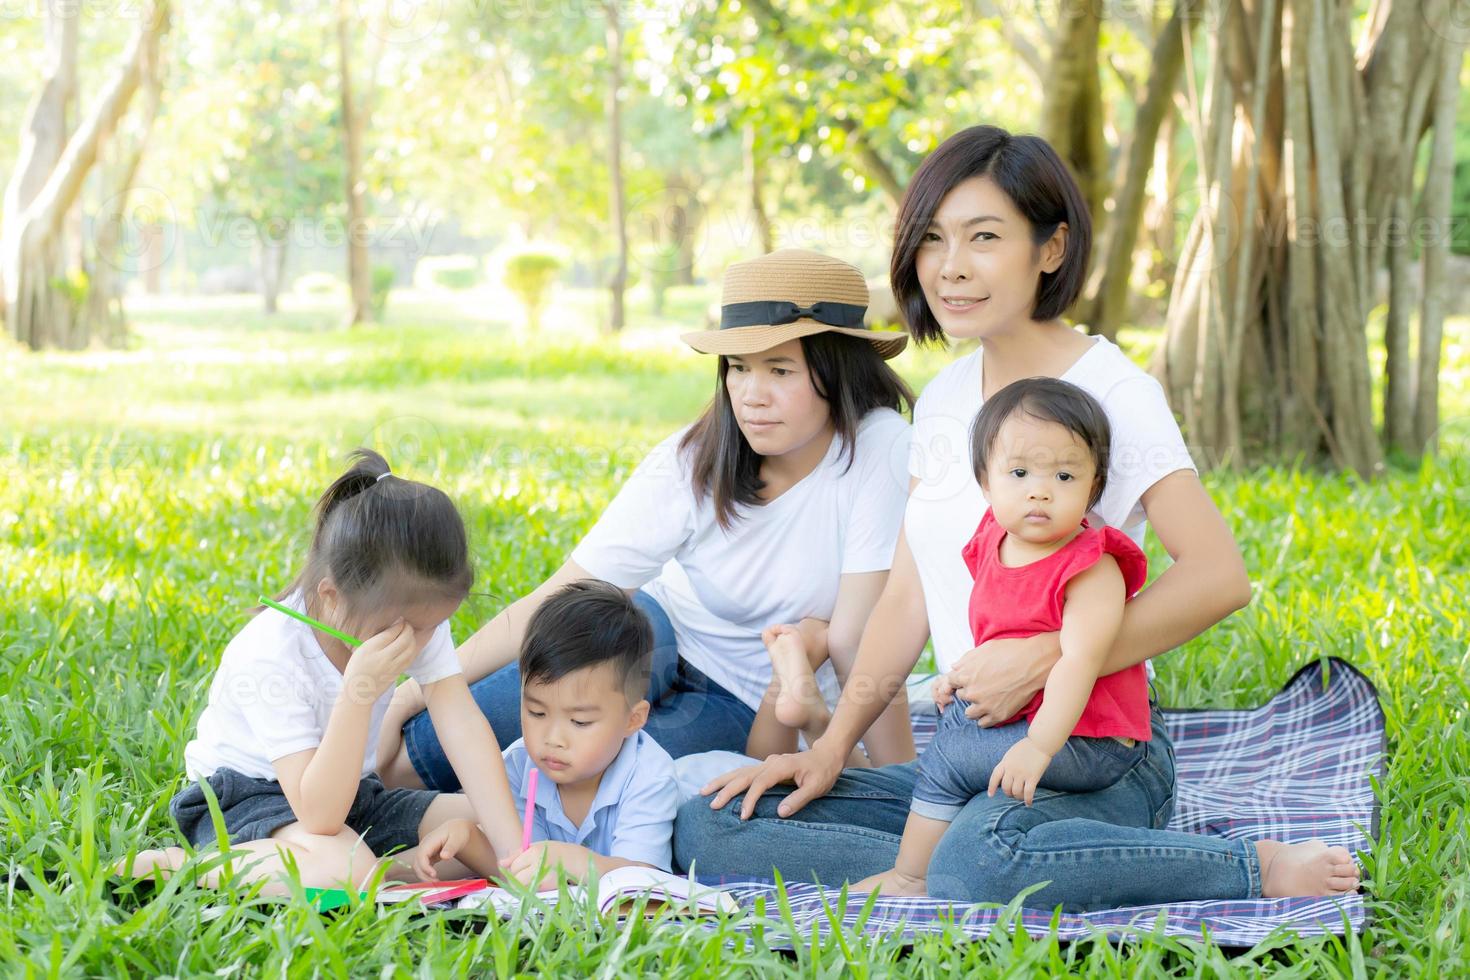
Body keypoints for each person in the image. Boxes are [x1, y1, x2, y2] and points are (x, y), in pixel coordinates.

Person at [677, 126, 1360, 910]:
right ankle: (993, 853)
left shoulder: (1115, 391)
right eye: (931, 238)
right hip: (971, 749)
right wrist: (832, 750)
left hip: (1094, 747)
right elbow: (906, 600)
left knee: (982, 863)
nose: (951, 266)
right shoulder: (941, 402)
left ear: (1051, 248)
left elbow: (1218, 577)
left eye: (985, 237)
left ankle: (1246, 867)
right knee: (714, 825)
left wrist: (1047, 656)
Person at [375, 249, 918, 795]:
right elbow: (565, 590)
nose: (752, 396)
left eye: (780, 370)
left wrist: (903, 785)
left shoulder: (879, 449)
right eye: (738, 368)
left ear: (838, 369)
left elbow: (855, 637)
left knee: (596, 793)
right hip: (651, 628)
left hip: (743, 696)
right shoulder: (696, 456)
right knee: (418, 759)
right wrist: (430, 679)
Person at [117, 450, 523, 894]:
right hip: (248, 799)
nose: (419, 640)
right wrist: (358, 691)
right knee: (342, 872)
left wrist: (514, 853)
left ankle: (379, 877)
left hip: (355, 792)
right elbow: (319, 814)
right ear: (331, 597)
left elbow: (461, 724)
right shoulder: (271, 652)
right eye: (410, 627)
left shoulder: (407, 616)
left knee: (500, 826)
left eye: (432, 626)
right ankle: (184, 866)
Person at [856, 377, 1150, 896]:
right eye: (1019, 473)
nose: (1039, 490)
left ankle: (912, 876)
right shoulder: (993, 539)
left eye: (1063, 474)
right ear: (985, 482)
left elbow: (1078, 661)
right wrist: (961, 677)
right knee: (956, 730)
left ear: (1093, 486)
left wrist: (1038, 747)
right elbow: (1003, 636)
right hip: (1036, 720)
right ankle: (948, 849)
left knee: (950, 751)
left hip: (1092, 738)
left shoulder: (1091, 565)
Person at [415, 580, 682, 887]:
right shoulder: (516, 768)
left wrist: (573, 861)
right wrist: (468, 840)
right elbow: (521, 869)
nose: (553, 738)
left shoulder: (649, 776)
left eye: (580, 722)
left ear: (632, 720)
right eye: (537, 713)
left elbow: (642, 881)